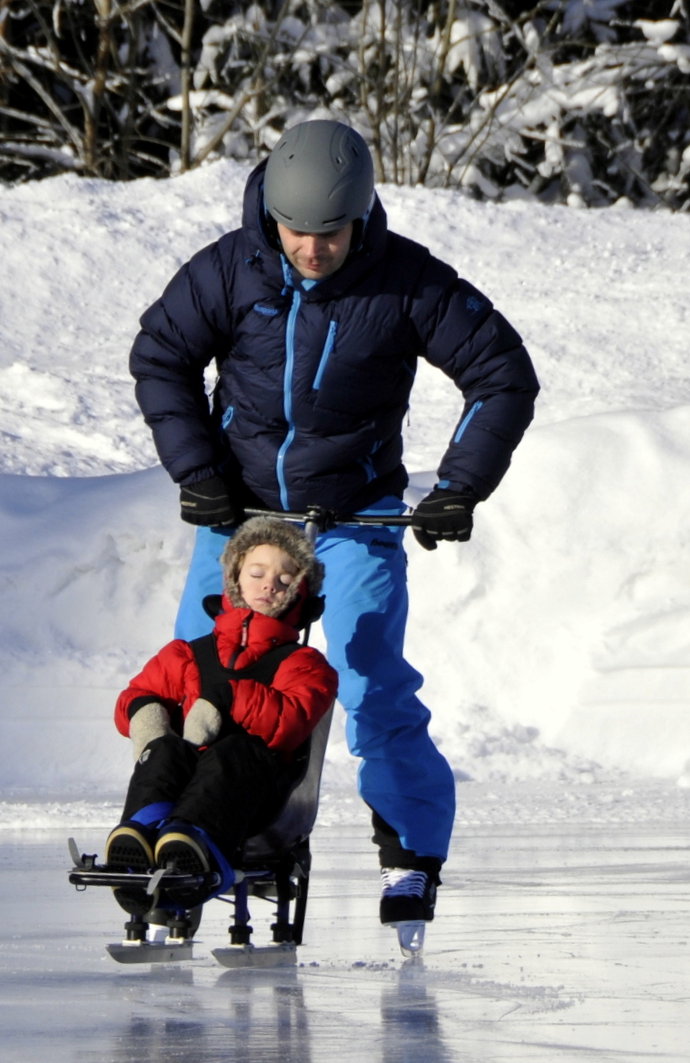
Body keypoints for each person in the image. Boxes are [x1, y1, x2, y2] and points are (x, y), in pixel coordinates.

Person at [129, 120, 538, 936]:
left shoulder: (407, 281)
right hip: (241, 515)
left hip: (354, 518)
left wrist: (459, 485)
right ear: (269, 217)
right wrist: (199, 472)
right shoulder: (228, 269)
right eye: (298, 233)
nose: (314, 250)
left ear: (363, 216)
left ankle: (412, 857)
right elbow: (161, 354)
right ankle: (174, 833)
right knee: (194, 676)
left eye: (332, 234)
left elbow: (503, 376)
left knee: (367, 675)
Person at [104, 517, 337, 911]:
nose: (269, 584)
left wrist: (229, 699)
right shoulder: (188, 653)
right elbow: (138, 694)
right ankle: (143, 836)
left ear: (301, 591)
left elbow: (292, 722)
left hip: (257, 792)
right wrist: (147, 715)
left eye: (285, 579)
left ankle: (196, 845)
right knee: (163, 752)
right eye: (257, 573)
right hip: (185, 780)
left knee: (235, 751)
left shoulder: (305, 664)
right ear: (235, 577)